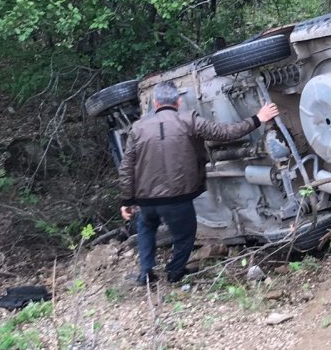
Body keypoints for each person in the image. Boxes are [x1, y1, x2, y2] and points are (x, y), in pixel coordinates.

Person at [118, 81, 279, 284]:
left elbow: (126, 167)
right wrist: (258, 119)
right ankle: (174, 273)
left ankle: (146, 274)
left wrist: (127, 200)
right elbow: (226, 133)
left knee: (146, 227)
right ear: (178, 101)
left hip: (146, 200)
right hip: (177, 198)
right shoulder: (189, 120)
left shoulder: (138, 128)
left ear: (156, 103)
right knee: (185, 236)